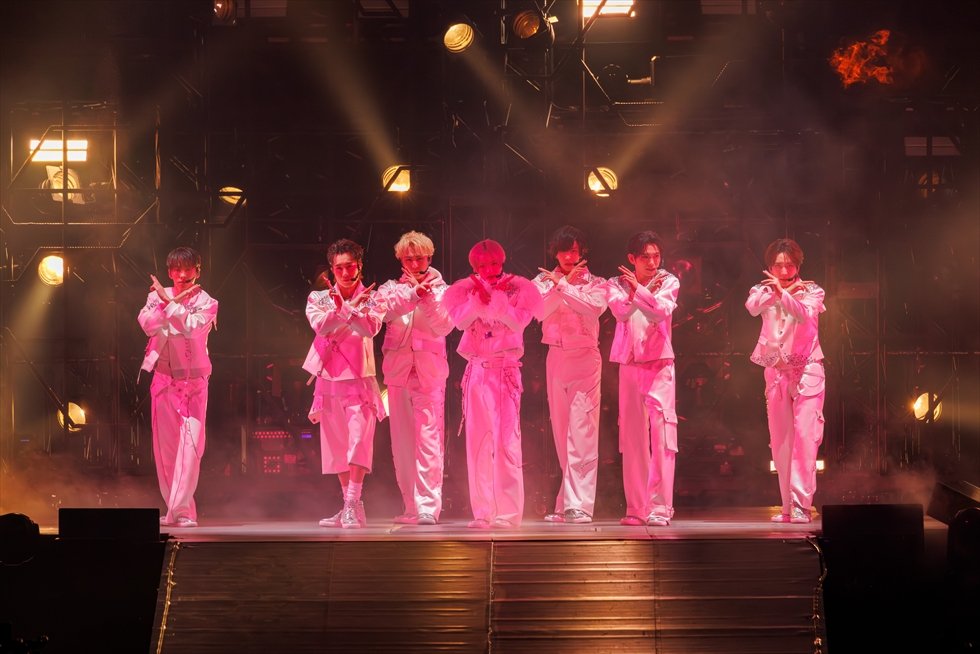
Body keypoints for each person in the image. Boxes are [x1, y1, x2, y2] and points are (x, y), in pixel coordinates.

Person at [443, 239, 542, 529]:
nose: (489, 269)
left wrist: (497, 303)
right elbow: (459, 322)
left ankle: (508, 513)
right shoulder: (465, 288)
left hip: (503, 370)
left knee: (506, 441)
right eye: (483, 265)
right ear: (475, 266)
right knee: (478, 442)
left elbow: (519, 322)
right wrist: (477, 301)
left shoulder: (518, 287)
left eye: (494, 263)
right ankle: (483, 512)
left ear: (502, 262)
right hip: (476, 370)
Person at [304, 238, 387, 529]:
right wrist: (344, 309)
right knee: (337, 445)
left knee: (359, 441)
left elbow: (369, 328)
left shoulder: (373, 297)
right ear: (332, 269)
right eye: (339, 268)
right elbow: (321, 326)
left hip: (360, 378)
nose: (345, 273)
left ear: (359, 266)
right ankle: (349, 506)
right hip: (328, 378)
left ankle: (353, 502)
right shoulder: (318, 298)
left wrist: (347, 309)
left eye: (350, 266)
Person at [745, 238, 825, 524]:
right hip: (776, 370)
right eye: (778, 265)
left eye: (789, 265)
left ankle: (802, 506)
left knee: (805, 439)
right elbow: (752, 307)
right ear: (770, 266)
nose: (783, 270)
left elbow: (804, 314)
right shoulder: (762, 289)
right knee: (780, 442)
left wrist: (785, 293)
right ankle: (788, 508)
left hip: (807, 370)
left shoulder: (812, 290)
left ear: (798, 265)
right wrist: (777, 291)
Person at [138, 246, 218, 528]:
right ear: (169, 271)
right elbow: (147, 324)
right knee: (166, 451)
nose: (182, 275)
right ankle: (175, 510)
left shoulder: (208, 302)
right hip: (163, 382)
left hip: (193, 385)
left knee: (191, 449)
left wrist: (168, 303)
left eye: (188, 269)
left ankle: (182, 511)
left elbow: (191, 329)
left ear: (198, 271)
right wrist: (164, 302)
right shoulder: (155, 297)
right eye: (177, 269)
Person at [377, 231, 453, 526]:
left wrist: (425, 296)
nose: (414, 263)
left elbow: (444, 325)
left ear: (429, 258)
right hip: (398, 373)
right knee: (402, 443)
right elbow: (383, 314)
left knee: (429, 440)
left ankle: (428, 507)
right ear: (401, 260)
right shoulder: (391, 288)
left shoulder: (443, 291)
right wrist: (412, 294)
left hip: (429, 373)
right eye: (408, 258)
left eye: (419, 258)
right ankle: (411, 505)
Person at [532, 226, 607, 524]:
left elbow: (593, 308)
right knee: (562, 433)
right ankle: (566, 503)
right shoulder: (541, 280)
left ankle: (581, 505)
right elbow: (538, 312)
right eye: (564, 250)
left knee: (582, 431)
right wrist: (558, 286)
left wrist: (563, 286)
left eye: (574, 250)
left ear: (581, 252)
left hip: (585, 358)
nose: (569, 256)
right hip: (556, 356)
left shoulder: (596, 282)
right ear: (555, 252)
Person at [606, 231, 680, 527]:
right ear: (632, 259)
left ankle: (660, 507)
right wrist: (637, 291)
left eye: (656, 256)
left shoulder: (669, 281)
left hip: (659, 363)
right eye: (645, 257)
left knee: (662, 437)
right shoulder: (615, 283)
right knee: (632, 437)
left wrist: (637, 290)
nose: (652, 262)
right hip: (629, 363)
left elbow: (660, 312)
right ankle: (636, 507)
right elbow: (620, 312)